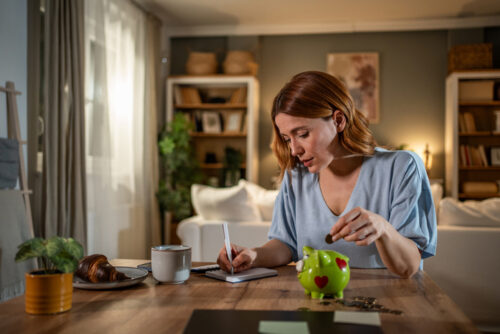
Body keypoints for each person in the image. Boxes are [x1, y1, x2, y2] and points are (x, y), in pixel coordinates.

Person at [217, 71, 437, 278]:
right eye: (287, 138)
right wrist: (253, 256)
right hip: (315, 297)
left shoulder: (402, 167)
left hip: (385, 302)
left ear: (338, 121)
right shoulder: (296, 176)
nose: (294, 150)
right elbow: (286, 245)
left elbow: (409, 267)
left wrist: (383, 229)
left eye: (302, 134)